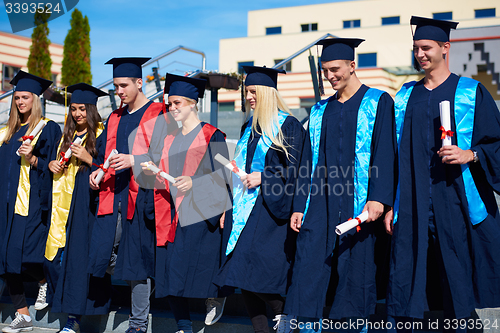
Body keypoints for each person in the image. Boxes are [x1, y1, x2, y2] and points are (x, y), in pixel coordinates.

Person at [385, 16, 500, 332]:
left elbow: (496, 143)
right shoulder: (405, 96)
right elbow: (393, 155)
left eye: (426, 48)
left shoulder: (470, 92)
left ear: (445, 48)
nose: (420, 54)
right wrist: (392, 203)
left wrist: (471, 154)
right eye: (416, 48)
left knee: (456, 274)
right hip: (412, 200)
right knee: (407, 275)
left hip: (454, 199)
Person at [284, 38, 396, 333]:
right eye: (325, 71)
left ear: (352, 66)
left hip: (360, 201)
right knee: (308, 264)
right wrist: (299, 205)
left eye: (335, 69)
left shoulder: (378, 101)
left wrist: (379, 198)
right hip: (320, 199)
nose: (330, 76)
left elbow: (385, 152)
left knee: (356, 269)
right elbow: (307, 160)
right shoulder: (320, 111)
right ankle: (305, 327)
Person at [215, 66, 305, 333]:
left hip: (270, 213)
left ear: (267, 93)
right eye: (247, 92)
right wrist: (226, 207)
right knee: (242, 276)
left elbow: (297, 171)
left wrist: (264, 177)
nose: (249, 97)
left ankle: (284, 318)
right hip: (243, 211)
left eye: (253, 92)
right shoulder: (248, 127)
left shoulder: (288, 126)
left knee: (261, 276)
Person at [88, 57, 174, 333]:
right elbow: (105, 154)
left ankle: (138, 324)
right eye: (115, 86)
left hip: (146, 198)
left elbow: (169, 154)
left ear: (140, 83)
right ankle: (151, 283)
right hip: (113, 197)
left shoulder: (160, 113)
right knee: (106, 254)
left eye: (124, 85)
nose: (119, 91)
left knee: (135, 262)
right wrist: (95, 170)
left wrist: (135, 160)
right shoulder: (115, 117)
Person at [142, 73, 231, 333]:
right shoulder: (169, 138)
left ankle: (215, 297)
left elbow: (225, 177)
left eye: (177, 103)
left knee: (203, 266)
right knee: (170, 271)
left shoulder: (214, 135)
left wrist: (195, 183)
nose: (172, 109)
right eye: (170, 104)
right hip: (173, 212)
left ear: (193, 104)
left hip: (204, 212)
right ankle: (183, 325)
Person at [0, 71, 62, 333]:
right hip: (4, 205)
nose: (19, 102)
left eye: (25, 97)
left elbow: (55, 169)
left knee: (25, 256)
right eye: (16, 97)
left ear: (36, 99)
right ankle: (22, 313)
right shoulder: (6, 131)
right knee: (4, 259)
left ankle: (42, 280)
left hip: (30, 202)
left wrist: (34, 159)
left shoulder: (47, 128)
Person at [45, 83, 108, 333]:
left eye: (82, 109)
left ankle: (75, 319)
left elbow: (107, 169)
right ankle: (69, 311)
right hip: (64, 208)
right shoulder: (65, 137)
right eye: (73, 109)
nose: (78, 114)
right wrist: (52, 165)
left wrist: (89, 159)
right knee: (55, 261)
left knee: (83, 262)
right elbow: (56, 167)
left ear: (91, 110)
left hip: (88, 208)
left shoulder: (102, 135)